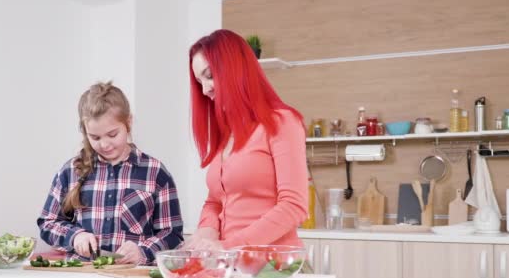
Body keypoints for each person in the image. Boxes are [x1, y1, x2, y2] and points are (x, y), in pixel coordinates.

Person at [184, 29, 308, 251]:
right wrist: (206, 233)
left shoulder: (282, 122)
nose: (204, 90)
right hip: (232, 266)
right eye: (199, 81)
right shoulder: (226, 135)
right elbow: (214, 201)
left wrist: (228, 246)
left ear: (235, 68)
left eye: (209, 75)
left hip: (272, 267)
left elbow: (293, 206)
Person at [37, 81, 184, 265]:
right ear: (85, 132)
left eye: (112, 134)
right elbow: (47, 223)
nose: (105, 145)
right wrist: (75, 236)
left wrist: (143, 251)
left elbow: (172, 234)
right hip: (82, 277)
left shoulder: (155, 173)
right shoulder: (70, 172)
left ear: (128, 123)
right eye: (95, 137)